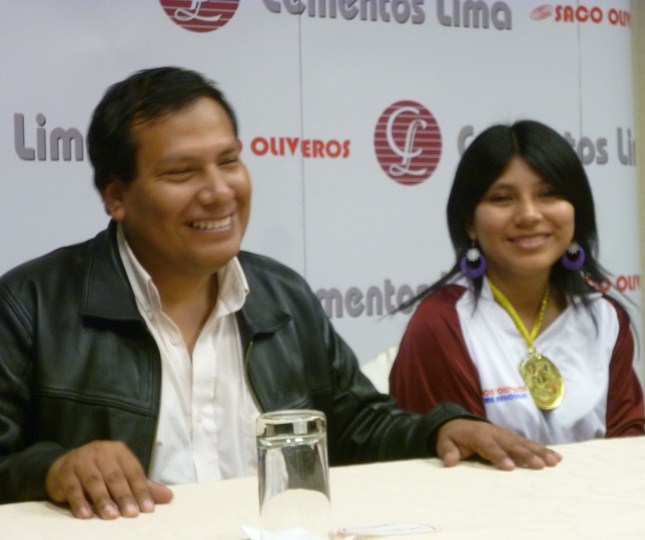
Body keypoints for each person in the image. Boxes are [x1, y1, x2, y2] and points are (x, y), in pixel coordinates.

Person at [0, 68, 561, 520]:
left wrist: (442, 428)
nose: (219, 192)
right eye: (181, 173)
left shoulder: (281, 297)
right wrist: (51, 469)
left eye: (229, 161)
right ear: (116, 196)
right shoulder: (31, 305)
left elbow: (358, 427)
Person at [389, 120, 645, 444]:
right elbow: (443, 458)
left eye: (548, 194)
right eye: (502, 198)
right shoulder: (442, 324)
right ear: (469, 222)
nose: (529, 215)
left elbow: (628, 445)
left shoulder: (605, 318)